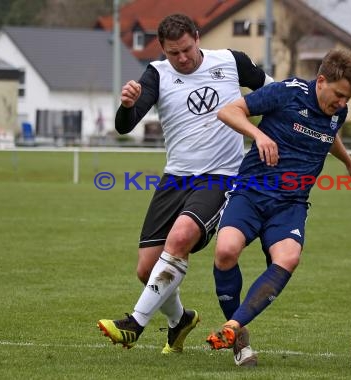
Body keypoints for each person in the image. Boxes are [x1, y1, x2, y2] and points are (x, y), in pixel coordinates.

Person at [97, 13, 272, 365]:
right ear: (163, 49)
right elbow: (125, 126)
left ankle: (135, 323)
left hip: (221, 177)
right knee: (147, 271)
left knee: (180, 240)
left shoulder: (232, 61)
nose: (182, 59)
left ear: (197, 37)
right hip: (175, 179)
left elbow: (276, 95)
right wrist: (127, 105)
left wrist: (265, 138)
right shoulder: (157, 74)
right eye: (174, 53)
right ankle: (180, 321)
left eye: (187, 50)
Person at [205, 47, 351, 365]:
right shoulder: (286, 92)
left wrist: (349, 163)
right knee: (225, 251)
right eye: (338, 95)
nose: (342, 103)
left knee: (289, 257)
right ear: (321, 80)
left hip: (291, 203)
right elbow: (229, 111)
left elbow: (329, 134)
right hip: (252, 191)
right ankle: (239, 339)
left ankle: (233, 328)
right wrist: (258, 135)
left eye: (347, 99)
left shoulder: (338, 111)